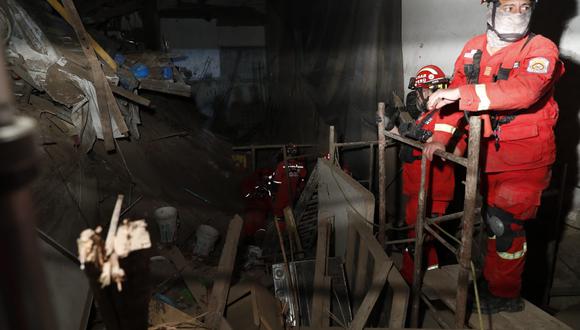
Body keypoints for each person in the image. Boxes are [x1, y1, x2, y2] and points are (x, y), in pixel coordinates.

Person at [424, 0, 565, 314]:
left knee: (505, 226)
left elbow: (525, 91)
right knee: (491, 224)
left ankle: (505, 295)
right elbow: (455, 90)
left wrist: (463, 95)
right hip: (489, 155)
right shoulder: (474, 47)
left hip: (526, 159)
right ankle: (494, 280)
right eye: (508, 5)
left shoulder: (540, 49)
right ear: (488, 5)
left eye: (523, 6)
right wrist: (440, 136)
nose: (516, 13)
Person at [394, 65, 466, 283]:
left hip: (433, 190)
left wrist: (421, 135)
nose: (418, 97)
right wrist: (390, 127)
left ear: (432, 89)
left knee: (417, 239)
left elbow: (455, 150)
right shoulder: (426, 116)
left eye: (421, 92)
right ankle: (433, 275)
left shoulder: (448, 114)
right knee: (423, 239)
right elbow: (405, 135)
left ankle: (410, 279)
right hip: (417, 187)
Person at [271, 144, 307, 225]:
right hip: (292, 194)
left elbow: (276, 182)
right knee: (289, 212)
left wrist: (273, 194)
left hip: (281, 194)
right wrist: (299, 190)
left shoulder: (281, 165)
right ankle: (290, 229)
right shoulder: (300, 166)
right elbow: (302, 180)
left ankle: (281, 230)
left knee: (279, 213)